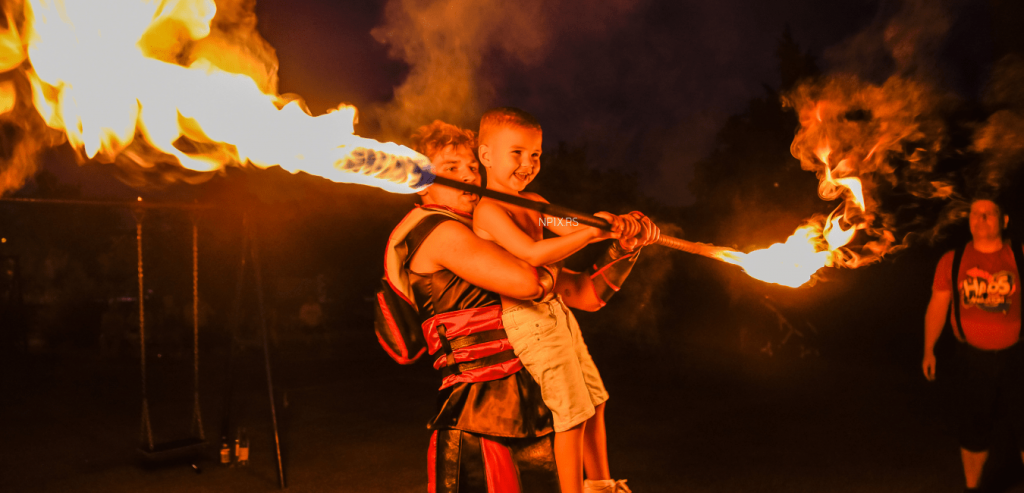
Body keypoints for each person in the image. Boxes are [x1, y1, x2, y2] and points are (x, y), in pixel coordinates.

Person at [377, 120, 658, 493]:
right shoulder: (437, 230)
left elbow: (585, 295)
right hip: (481, 422)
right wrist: (581, 235)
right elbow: (531, 284)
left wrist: (624, 247)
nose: (469, 175)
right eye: (451, 169)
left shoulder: (496, 220)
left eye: (472, 167)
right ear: (421, 180)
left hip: (535, 413)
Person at [474, 107, 645, 493]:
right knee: (572, 414)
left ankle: (601, 485)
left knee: (596, 398)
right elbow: (532, 254)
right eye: (516, 152)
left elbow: (569, 226)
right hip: (526, 318)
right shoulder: (488, 210)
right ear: (485, 155)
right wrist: (588, 234)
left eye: (535, 154)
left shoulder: (534, 201)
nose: (527, 163)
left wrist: (615, 227)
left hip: (557, 312)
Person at [922, 197, 1024, 492]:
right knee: (973, 429)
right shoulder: (952, 261)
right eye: (975, 214)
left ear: (1003, 221)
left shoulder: (1019, 256)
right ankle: (972, 487)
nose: (981, 219)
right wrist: (929, 349)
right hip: (971, 359)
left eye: (989, 213)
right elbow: (938, 306)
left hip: (1017, 357)